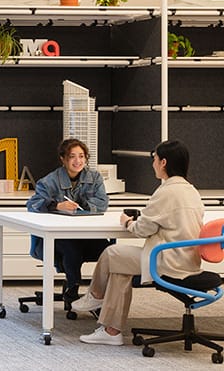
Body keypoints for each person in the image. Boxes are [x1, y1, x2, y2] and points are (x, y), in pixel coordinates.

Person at [72, 140, 204, 345]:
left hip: (168, 262)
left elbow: (143, 229)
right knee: (120, 268)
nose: (153, 164)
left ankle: (96, 295)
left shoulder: (166, 192)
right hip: (187, 259)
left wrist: (128, 223)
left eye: (155, 159)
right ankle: (111, 331)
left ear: (164, 163)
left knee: (112, 253)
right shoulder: (191, 191)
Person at [25, 138, 110, 305]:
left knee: (110, 250)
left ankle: (103, 296)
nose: (78, 161)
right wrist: (57, 205)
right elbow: (32, 204)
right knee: (71, 247)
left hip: (86, 235)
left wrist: (82, 205)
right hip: (55, 239)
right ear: (63, 159)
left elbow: (103, 203)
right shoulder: (49, 181)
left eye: (81, 156)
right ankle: (73, 288)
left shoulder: (95, 178)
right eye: (72, 156)